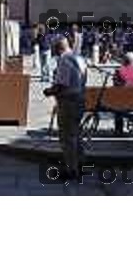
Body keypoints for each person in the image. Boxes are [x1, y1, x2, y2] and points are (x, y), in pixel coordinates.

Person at [43, 36, 87, 182]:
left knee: (67, 137)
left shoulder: (64, 60)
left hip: (68, 102)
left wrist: (49, 91)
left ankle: (71, 170)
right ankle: (80, 164)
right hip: (80, 99)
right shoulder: (80, 58)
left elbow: (61, 84)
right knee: (77, 134)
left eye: (54, 47)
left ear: (58, 47)